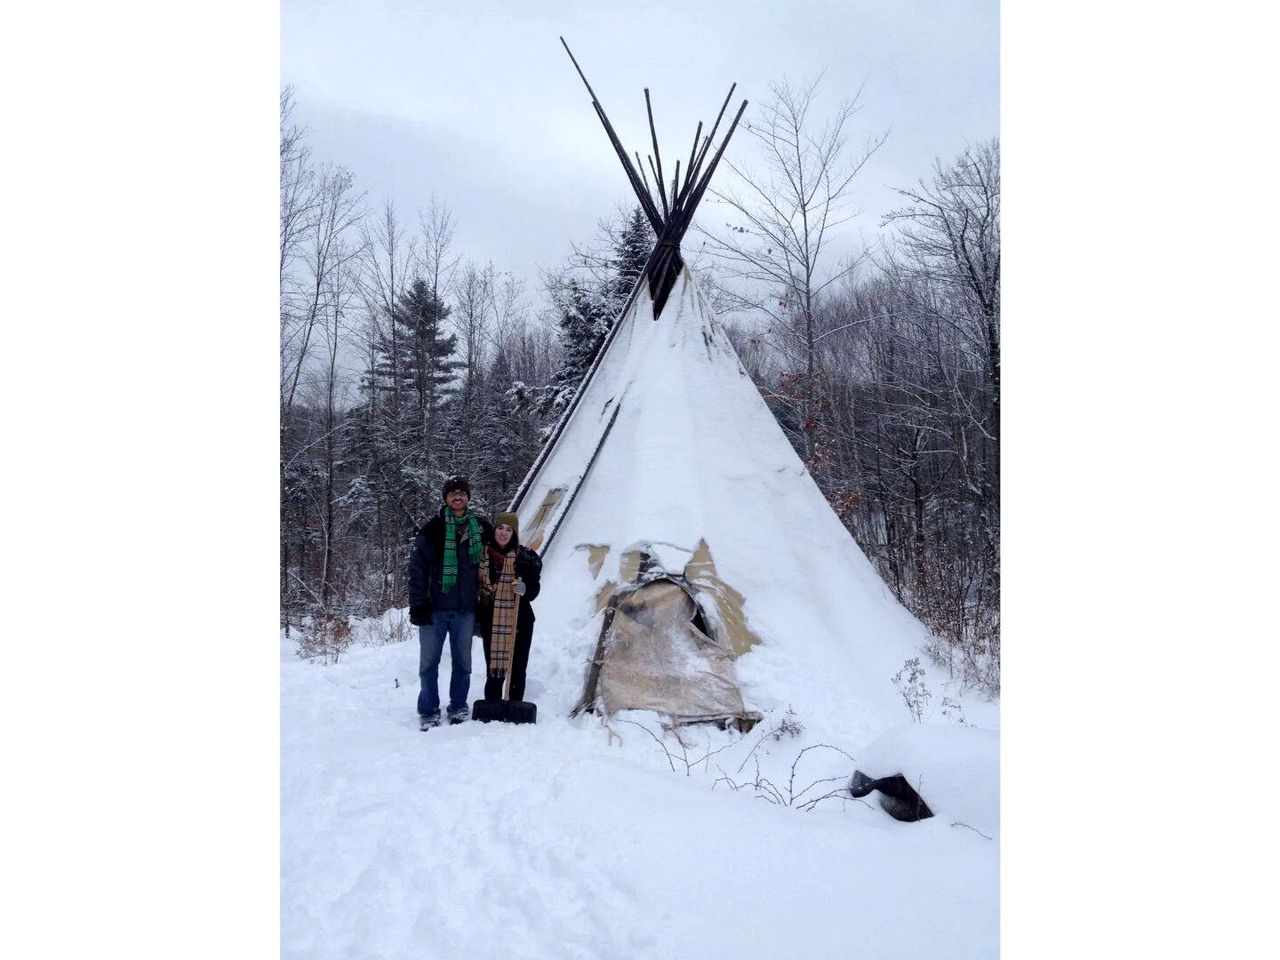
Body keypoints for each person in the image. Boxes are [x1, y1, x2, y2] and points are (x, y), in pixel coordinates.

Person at [408, 476, 494, 728]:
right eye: (453, 493)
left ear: (468, 497)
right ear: (445, 498)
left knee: (463, 662)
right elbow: (416, 570)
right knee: (428, 663)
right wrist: (417, 604)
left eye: (462, 493)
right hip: (434, 608)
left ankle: (458, 706)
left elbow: (501, 551)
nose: (458, 497)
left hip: (465, 609)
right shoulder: (432, 529)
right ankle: (429, 709)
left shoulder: (480, 528)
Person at [477, 511, 541, 704]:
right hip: (491, 619)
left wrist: (524, 589)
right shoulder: (482, 556)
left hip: (520, 619)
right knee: (494, 666)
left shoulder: (524, 557)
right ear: (494, 530)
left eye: (509, 529)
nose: (503, 533)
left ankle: (514, 706)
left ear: (514, 533)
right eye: (500, 528)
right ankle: (493, 705)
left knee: (518, 666)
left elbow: (534, 589)